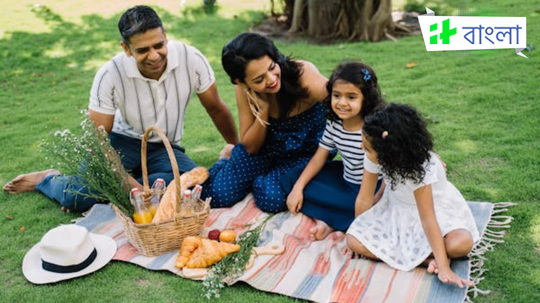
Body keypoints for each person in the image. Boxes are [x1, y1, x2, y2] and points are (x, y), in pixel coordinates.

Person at [3, 5, 238, 212]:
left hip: (164, 146)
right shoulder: (109, 74)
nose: (154, 56)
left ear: (166, 36)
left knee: (195, 187)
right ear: (126, 48)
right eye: (143, 50)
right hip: (118, 142)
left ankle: (120, 182)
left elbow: (216, 108)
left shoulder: (191, 58)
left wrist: (236, 149)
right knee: (76, 199)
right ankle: (49, 179)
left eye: (159, 45)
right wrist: (128, 185)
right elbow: (99, 143)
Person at [346, 103, 480, 288]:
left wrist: (443, 268)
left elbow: (428, 218)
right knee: (353, 240)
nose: (362, 148)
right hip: (397, 209)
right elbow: (364, 198)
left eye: (367, 147)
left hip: (432, 212)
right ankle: (426, 261)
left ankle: (436, 258)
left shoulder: (422, 169)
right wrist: (362, 229)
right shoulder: (372, 154)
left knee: (461, 244)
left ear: (389, 152)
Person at [201, 32, 329, 213]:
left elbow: (344, 104)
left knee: (271, 199)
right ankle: (228, 161)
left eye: (272, 67)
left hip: (304, 152)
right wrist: (263, 112)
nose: (271, 79)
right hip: (265, 150)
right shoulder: (243, 89)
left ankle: (253, 174)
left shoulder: (302, 74)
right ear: (240, 81)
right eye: (259, 79)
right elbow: (251, 147)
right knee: (218, 195)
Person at [281, 61, 386, 241]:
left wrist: (377, 199)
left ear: (366, 99)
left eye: (351, 97)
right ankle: (331, 220)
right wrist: (298, 188)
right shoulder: (335, 123)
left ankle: (329, 222)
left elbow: (394, 168)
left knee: (364, 208)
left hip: (372, 191)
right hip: (345, 180)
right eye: (337, 95)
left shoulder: (376, 128)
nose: (342, 103)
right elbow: (319, 158)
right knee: (293, 178)